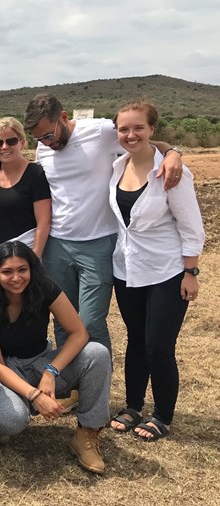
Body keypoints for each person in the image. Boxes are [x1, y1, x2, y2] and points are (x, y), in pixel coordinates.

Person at [23, 92, 183, 355]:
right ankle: (70, 383)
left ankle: (97, 389)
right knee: (63, 321)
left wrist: (173, 152)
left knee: (90, 323)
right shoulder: (43, 146)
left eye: (48, 135)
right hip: (57, 246)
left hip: (98, 243)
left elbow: (145, 143)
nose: (45, 143)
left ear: (63, 117)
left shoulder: (100, 131)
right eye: (38, 138)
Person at [107, 101, 204, 441]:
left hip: (167, 270)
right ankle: (133, 405)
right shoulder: (117, 166)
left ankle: (162, 414)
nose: (130, 135)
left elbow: (191, 226)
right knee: (135, 340)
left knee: (158, 346)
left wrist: (191, 271)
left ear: (151, 129)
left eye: (138, 128)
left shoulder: (172, 172)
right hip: (127, 268)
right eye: (124, 129)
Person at [0, 241, 111, 474]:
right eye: (7, 271)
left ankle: (86, 433)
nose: (16, 278)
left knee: (97, 353)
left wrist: (51, 371)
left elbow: (79, 334)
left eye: (22, 270)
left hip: (40, 361)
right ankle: (2, 421)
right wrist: (35, 395)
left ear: (32, 269)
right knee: (11, 420)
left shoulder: (45, 289)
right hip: (2, 370)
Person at [0, 117, 51, 258]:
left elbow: (44, 222)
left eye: (11, 141)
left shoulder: (35, 174)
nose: (4, 147)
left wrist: (35, 256)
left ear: (22, 142)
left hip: (26, 251)